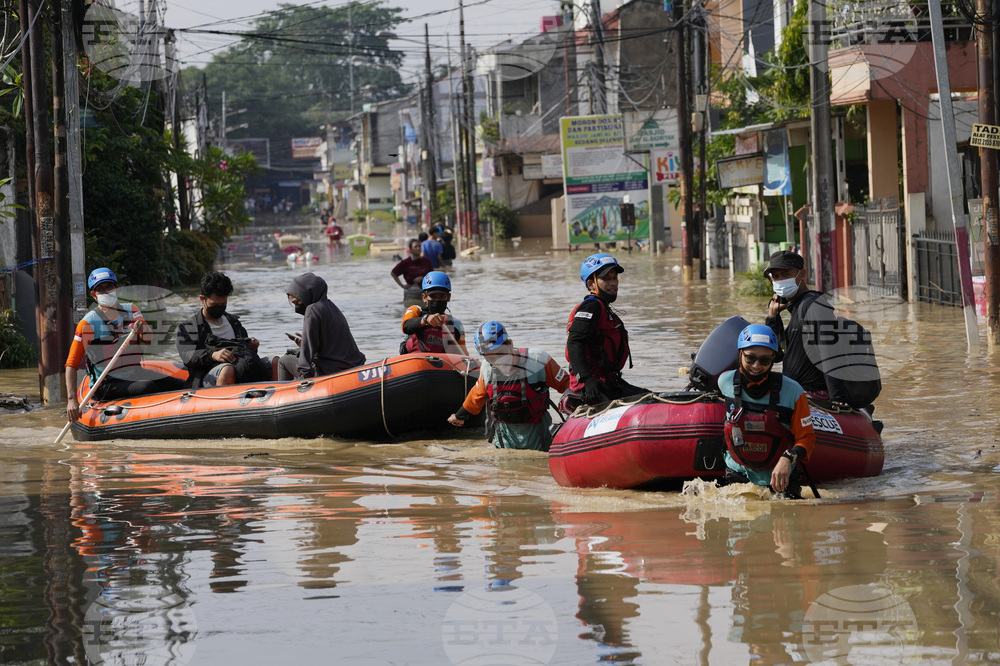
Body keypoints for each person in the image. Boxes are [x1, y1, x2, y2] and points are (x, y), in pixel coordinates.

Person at [64, 268, 186, 421]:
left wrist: (141, 328)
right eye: (100, 289)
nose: (106, 292)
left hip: (134, 372)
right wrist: (71, 400)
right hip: (107, 383)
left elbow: (148, 338)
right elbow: (71, 364)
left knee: (180, 384)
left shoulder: (131, 310)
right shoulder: (87, 323)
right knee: (146, 387)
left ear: (117, 289)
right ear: (94, 295)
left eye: (109, 287)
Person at [718, 324, 816, 499]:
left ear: (773, 360)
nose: (756, 366)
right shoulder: (724, 381)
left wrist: (787, 458)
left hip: (780, 478)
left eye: (764, 360)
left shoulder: (793, 392)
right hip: (738, 473)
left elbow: (807, 437)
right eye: (750, 358)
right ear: (740, 354)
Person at [448, 321, 570, 451]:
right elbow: (476, 396)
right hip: (504, 439)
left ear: (510, 343)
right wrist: (459, 416)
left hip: (538, 438)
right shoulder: (486, 368)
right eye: (490, 357)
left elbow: (568, 386)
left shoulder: (538, 360)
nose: (497, 359)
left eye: (500, 352)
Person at [565, 253, 648, 406]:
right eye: (606, 278)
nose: (613, 283)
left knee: (652, 398)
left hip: (609, 383)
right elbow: (574, 342)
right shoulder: (592, 307)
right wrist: (587, 379)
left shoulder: (604, 308)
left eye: (614, 277)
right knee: (649, 401)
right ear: (591, 284)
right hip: (593, 388)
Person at [175, 271, 277, 388]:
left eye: (223, 304)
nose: (219, 308)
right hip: (209, 374)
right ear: (202, 299)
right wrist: (212, 355)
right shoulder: (188, 327)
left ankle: (277, 399)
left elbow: (243, 351)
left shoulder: (234, 322)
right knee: (227, 369)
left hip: (241, 366)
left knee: (274, 361)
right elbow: (187, 354)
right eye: (214, 304)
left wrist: (252, 347)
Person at [763, 250, 829, 397]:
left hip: (813, 394)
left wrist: (838, 398)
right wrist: (773, 317)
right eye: (776, 276)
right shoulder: (797, 307)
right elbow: (777, 354)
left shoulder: (812, 305)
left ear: (802, 274)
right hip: (796, 391)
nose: (780, 280)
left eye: (786, 274)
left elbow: (828, 352)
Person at [277, 272, 366, 380]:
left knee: (283, 361)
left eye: (298, 301)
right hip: (351, 365)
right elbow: (332, 345)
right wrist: (304, 344)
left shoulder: (312, 310)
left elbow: (305, 362)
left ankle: (286, 393)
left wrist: (304, 378)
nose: (297, 306)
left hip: (331, 370)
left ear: (307, 295)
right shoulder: (332, 307)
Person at [400, 271, 467, 354]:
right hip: (415, 362)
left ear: (448, 297)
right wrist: (425, 320)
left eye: (442, 296)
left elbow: (463, 354)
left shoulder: (455, 324)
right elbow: (405, 326)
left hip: (443, 364)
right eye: (433, 296)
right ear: (424, 297)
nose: (437, 300)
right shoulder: (415, 311)